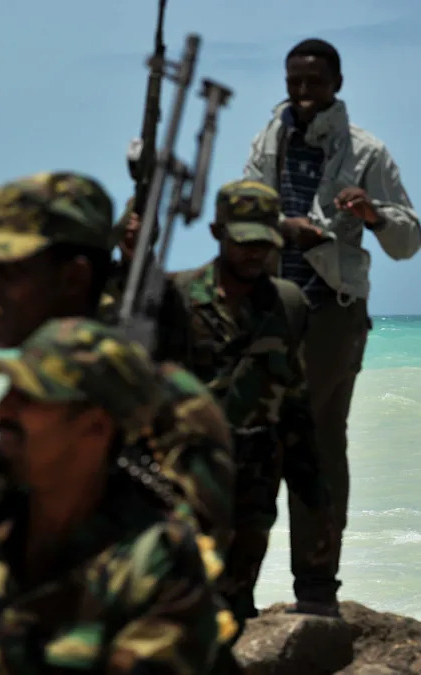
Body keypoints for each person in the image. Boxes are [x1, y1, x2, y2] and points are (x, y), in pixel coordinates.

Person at [0, 171, 236, 559]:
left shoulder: (171, 411)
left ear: (74, 277)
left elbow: (192, 560)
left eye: (7, 271)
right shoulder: (14, 409)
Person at [0, 317, 230, 673]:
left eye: (30, 398)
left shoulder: (156, 569)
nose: (1, 412)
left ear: (95, 427)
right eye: (9, 392)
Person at [242, 36, 421, 616]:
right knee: (252, 442)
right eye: (293, 81)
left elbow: (409, 241)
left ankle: (316, 588)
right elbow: (241, 216)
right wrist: (281, 228)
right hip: (264, 307)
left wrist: (372, 214)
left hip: (331, 310)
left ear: (337, 85)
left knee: (318, 445)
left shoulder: (366, 152)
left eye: (313, 82)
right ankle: (236, 590)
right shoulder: (268, 139)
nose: (301, 93)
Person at [170, 179, 316, 629]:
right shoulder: (177, 298)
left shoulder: (288, 303)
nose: (255, 254)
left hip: (255, 479)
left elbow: (295, 401)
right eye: (244, 242)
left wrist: (313, 492)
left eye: (264, 243)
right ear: (217, 233)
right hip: (186, 475)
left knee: (235, 605)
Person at [99, 195, 193, 364]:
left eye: (139, 238)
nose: (132, 238)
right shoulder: (100, 281)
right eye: (127, 235)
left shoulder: (167, 294)